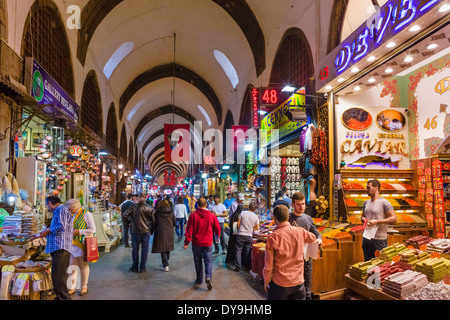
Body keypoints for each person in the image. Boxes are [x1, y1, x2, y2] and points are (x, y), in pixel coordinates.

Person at [263, 205, 316, 300]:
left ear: (275, 218)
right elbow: (313, 238)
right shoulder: (300, 231)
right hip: (299, 282)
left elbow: (268, 265)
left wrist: (266, 280)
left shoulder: (273, 237)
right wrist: (299, 231)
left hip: (280, 284)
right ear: (288, 217)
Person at [33, 196, 73, 300]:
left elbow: (61, 226)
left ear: (50, 203)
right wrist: (46, 231)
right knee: (57, 277)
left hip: (61, 248)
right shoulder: (59, 211)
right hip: (58, 248)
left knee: (59, 278)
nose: (47, 208)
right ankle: (59, 297)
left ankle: (64, 298)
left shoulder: (61, 210)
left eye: (47, 205)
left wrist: (47, 231)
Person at [289, 192, 322, 300]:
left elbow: (316, 232)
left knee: (307, 287)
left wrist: (318, 239)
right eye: (298, 204)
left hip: (307, 257)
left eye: (303, 204)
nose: (301, 207)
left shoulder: (308, 218)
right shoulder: (288, 218)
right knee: (294, 289)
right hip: (292, 258)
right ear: (293, 204)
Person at [183, 197, 221, 290]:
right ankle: (208, 277)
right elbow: (217, 228)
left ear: (198, 205)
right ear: (206, 205)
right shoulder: (212, 216)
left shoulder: (193, 216)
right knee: (208, 261)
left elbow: (189, 230)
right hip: (207, 243)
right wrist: (217, 237)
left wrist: (187, 242)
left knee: (198, 261)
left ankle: (199, 280)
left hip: (196, 243)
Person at [66, 199, 96, 296]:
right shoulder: (71, 214)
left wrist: (78, 231)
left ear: (76, 208)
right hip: (72, 244)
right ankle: (72, 287)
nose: (69, 211)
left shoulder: (87, 214)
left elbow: (92, 229)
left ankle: (84, 286)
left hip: (82, 244)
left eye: (70, 209)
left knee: (83, 266)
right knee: (72, 266)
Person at [361, 179, 397, 261]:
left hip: (379, 239)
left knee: (380, 265)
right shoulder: (366, 203)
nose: (366, 190)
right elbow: (362, 216)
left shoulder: (384, 202)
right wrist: (363, 220)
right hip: (366, 238)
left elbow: (394, 218)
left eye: (368, 187)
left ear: (376, 188)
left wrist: (377, 221)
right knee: (367, 263)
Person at [123, 193, 155, 273]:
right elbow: (154, 221)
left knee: (135, 249)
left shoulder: (133, 207)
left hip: (135, 231)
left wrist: (129, 222)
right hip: (146, 231)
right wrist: (151, 230)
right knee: (145, 250)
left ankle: (135, 266)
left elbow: (124, 215)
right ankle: (142, 267)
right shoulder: (149, 208)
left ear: (139, 198)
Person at [233, 203, 259, 272]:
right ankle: (248, 266)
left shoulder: (243, 213)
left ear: (248, 207)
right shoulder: (256, 217)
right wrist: (251, 228)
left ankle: (238, 266)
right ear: (255, 209)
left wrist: (238, 231)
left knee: (238, 250)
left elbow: (238, 223)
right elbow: (257, 228)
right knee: (247, 251)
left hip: (240, 234)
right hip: (249, 235)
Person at [151, 200, 176, 272]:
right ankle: (166, 262)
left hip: (160, 231)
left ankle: (166, 265)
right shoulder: (171, 212)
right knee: (167, 247)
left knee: (162, 248)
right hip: (170, 231)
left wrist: (152, 230)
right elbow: (174, 222)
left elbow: (154, 223)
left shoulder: (157, 213)